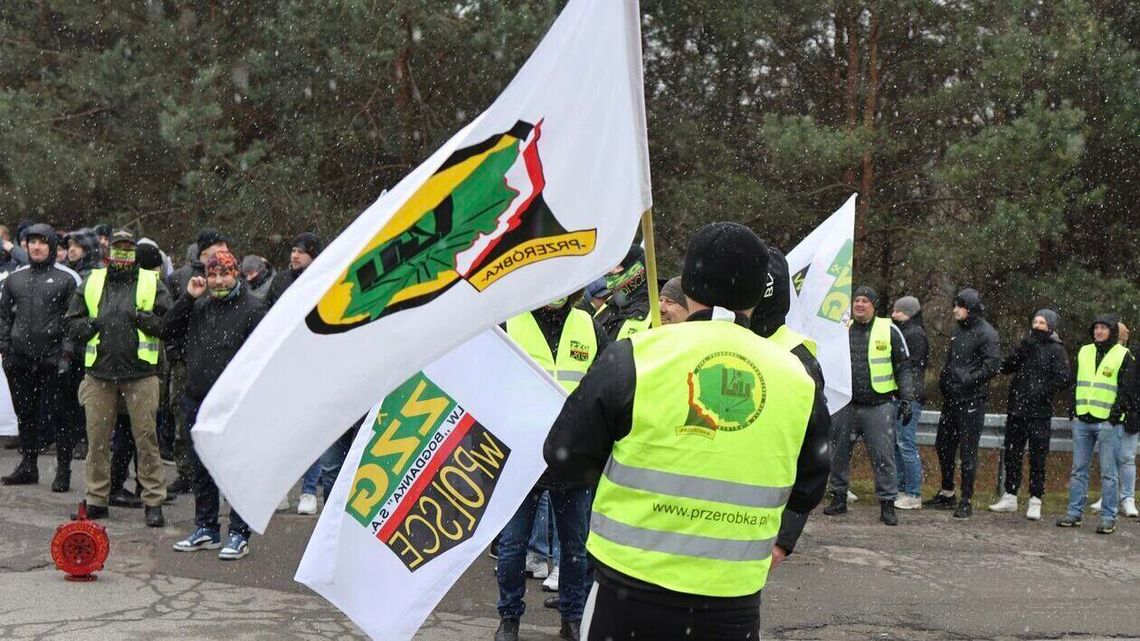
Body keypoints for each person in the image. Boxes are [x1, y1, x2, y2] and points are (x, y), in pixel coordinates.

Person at [544, 222, 829, 641]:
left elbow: (563, 454)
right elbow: (810, 488)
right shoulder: (796, 377)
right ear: (758, 292)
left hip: (628, 593)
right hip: (732, 600)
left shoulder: (635, 357)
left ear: (689, 284)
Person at [495, 295, 609, 641]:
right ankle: (509, 618)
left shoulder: (589, 326)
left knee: (575, 549)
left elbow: (605, 386)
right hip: (523, 458)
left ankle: (572, 618)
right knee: (513, 546)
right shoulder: (509, 321)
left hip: (573, 460)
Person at [65, 229, 171, 526]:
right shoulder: (92, 281)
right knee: (97, 441)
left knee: (146, 439)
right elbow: (72, 324)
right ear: (108, 252)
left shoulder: (152, 282)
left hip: (141, 374)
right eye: (117, 249)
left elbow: (168, 323)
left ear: (135, 252)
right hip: (99, 374)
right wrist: (94, 324)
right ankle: (97, 498)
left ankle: (153, 500)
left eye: (128, 249)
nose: (122, 254)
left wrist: (142, 319)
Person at [165, 249, 265, 559]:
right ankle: (206, 527)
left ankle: (239, 532)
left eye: (224, 273)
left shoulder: (254, 308)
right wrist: (188, 299)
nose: (218, 280)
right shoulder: (200, 305)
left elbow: (260, 356)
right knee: (201, 467)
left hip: (235, 402)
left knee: (235, 468)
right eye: (212, 274)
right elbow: (166, 329)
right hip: (198, 398)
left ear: (236, 274)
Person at [822, 286, 913, 525]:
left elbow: (903, 366)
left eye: (865, 301)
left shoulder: (889, 329)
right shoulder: (841, 330)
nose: (859, 305)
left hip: (879, 404)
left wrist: (907, 398)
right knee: (838, 454)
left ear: (874, 305)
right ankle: (839, 498)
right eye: (856, 301)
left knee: (884, 457)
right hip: (846, 404)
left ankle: (887, 504)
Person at [0, 225, 80, 489]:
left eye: (42, 243)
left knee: (60, 416)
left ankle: (64, 469)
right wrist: (6, 350)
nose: (36, 247)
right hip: (20, 360)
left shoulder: (66, 279)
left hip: (53, 360)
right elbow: (3, 318)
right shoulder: (14, 280)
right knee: (26, 414)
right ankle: (28, 465)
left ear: (52, 247)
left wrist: (66, 355)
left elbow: (72, 321)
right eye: (32, 242)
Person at [989, 310, 1071, 520]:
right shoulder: (1025, 345)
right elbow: (1006, 368)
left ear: (1050, 326)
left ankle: (1036, 499)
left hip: (1040, 413)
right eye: (1035, 321)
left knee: (1037, 457)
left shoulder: (1057, 350)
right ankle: (1010, 495)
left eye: (1042, 323)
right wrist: (1020, 351)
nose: (1037, 326)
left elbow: (1062, 379)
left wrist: (1040, 391)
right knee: (1012, 453)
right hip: (1017, 409)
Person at [928, 288, 1000, 518]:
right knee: (943, 445)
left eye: (959, 306)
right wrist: (944, 379)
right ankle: (948, 492)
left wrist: (967, 381)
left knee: (968, 452)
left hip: (972, 400)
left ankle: (967, 499)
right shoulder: (958, 331)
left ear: (969, 308)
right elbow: (952, 360)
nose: (955, 310)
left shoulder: (987, 333)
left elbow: (991, 366)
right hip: (951, 398)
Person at [1057, 315, 1133, 533]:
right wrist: (1073, 408)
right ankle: (1074, 513)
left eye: (1104, 328)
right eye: (1096, 328)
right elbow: (1074, 381)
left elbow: (1127, 390)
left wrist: (1114, 414)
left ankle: (1109, 517)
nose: (1099, 331)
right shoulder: (1085, 351)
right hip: (1083, 418)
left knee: (1109, 473)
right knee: (1078, 470)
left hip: (1107, 423)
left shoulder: (1123, 355)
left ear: (1112, 331)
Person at [891, 295, 928, 509]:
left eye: (898, 311)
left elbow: (910, 368)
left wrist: (906, 394)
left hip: (909, 397)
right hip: (904, 395)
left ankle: (913, 492)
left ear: (909, 313)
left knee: (906, 444)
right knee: (900, 443)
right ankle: (903, 488)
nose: (894, 315)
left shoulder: (914, 335)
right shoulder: (907, 332)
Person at [592, 244, 651, 341]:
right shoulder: (610, 302)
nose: (609, 274)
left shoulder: (653, 314)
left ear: (635, 270)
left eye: (616, 268)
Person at [266, 232, 322, 307]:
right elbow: (267, 309)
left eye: (301, 252)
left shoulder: (322, 280)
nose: (295, 256)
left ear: (314, 256)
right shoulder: (280, 280)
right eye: (293, 251)